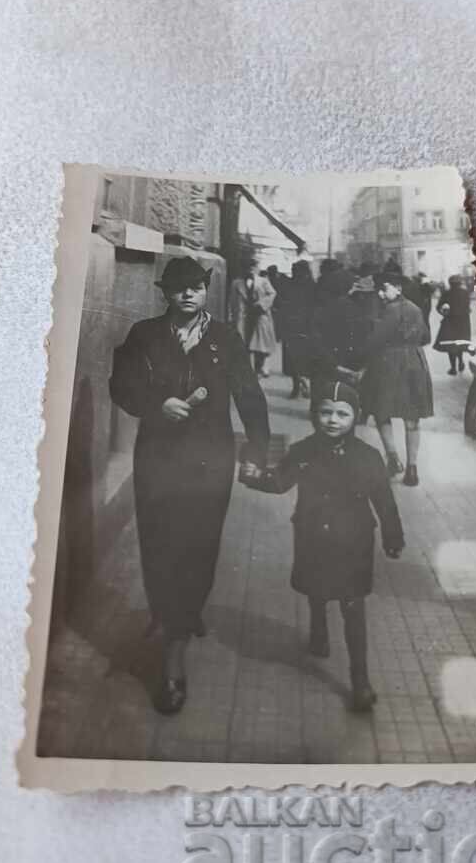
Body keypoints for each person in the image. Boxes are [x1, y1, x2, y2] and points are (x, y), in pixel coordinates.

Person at [109, 255, 269, 715]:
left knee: (199, 546)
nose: (187, 294)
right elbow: (120, 385)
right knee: (158, 542)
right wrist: (157, 403)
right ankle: (169, 628)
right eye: (178, 287)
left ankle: (178, 634)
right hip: (157, 457)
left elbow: (249, 395)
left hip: (209, 461)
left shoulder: (225, 338)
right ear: (165, 293)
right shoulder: (144, 335)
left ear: (205, 289)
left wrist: (257, 450)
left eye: (195, 286)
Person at [240, 381, 404, 712]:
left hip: (353, 542)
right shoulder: (302, 451)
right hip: (313, 535)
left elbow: (384, 502)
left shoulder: (369, 458)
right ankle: (318, 628)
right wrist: (253, 476)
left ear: (355, 417)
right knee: (316, 587)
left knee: (352, 604)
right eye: (325, 412)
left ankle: (360, 679)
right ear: (315, 415)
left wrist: (393, 536)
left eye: (342, 414)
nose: (332, 420)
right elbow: (281, 482)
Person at [357, 269, 434, 487]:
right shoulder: (416, 308)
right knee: (412, 418)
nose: (381, 294)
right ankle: (412, 468)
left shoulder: (388, 311)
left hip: (388, 364)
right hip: (415, 364)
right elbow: (426, 337)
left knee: (382, 411)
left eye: (384, 289)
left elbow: (374, 341)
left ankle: (393, 458)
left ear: (398, 288)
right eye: (379, 290)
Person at [308, 267, 376, 404]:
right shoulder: (356, 309)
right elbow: (364, 338)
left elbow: (315, 340)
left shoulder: (320, 308)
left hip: (326, 363)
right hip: (349, 363)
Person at [229, 258, 277, 377]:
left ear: (256, 268)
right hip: (243, 318)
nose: (250, 270)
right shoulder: (236, 283)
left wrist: (262, 304)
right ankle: (246, 371)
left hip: (259, 316)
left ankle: (258, 369)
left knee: (259, 346)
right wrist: (231, 317)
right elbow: (231, 301)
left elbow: (272, 293)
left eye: (253, 267)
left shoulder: (263, 281)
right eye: (247, 267)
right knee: (244, 344)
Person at [280, 259, 316, 398]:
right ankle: (300, 386)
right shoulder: (311, 285)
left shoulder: (295, 285)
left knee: (296, 359)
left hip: (299, 327)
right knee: (298, 359)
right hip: (300, 327)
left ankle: (299, 386)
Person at [433, 274, 472, 375]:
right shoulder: (465, 293)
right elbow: (468, 307)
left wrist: (443, 312)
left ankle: (453, 368)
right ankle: (461, 361)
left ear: (450, 283)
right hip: (463, 323)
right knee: (460, 343)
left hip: (450, 322)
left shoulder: (446, 293)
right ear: (460, 283)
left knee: (451, 345)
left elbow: (438, 307)